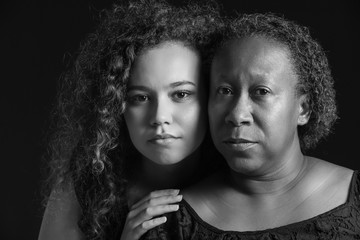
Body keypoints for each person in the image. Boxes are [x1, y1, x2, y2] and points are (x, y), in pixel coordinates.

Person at [142, 13, 360, 239]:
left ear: (303, 109)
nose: (237, 114)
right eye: (225, 91)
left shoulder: (355, 196)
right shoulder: (169, 224)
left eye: (261, 92)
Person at [38, 0, 222, 239]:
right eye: (141, 97)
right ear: (117, 105)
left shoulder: (241, 176)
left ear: (210, 95)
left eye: (181, 94)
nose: (160, 117)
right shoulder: (88, 184)